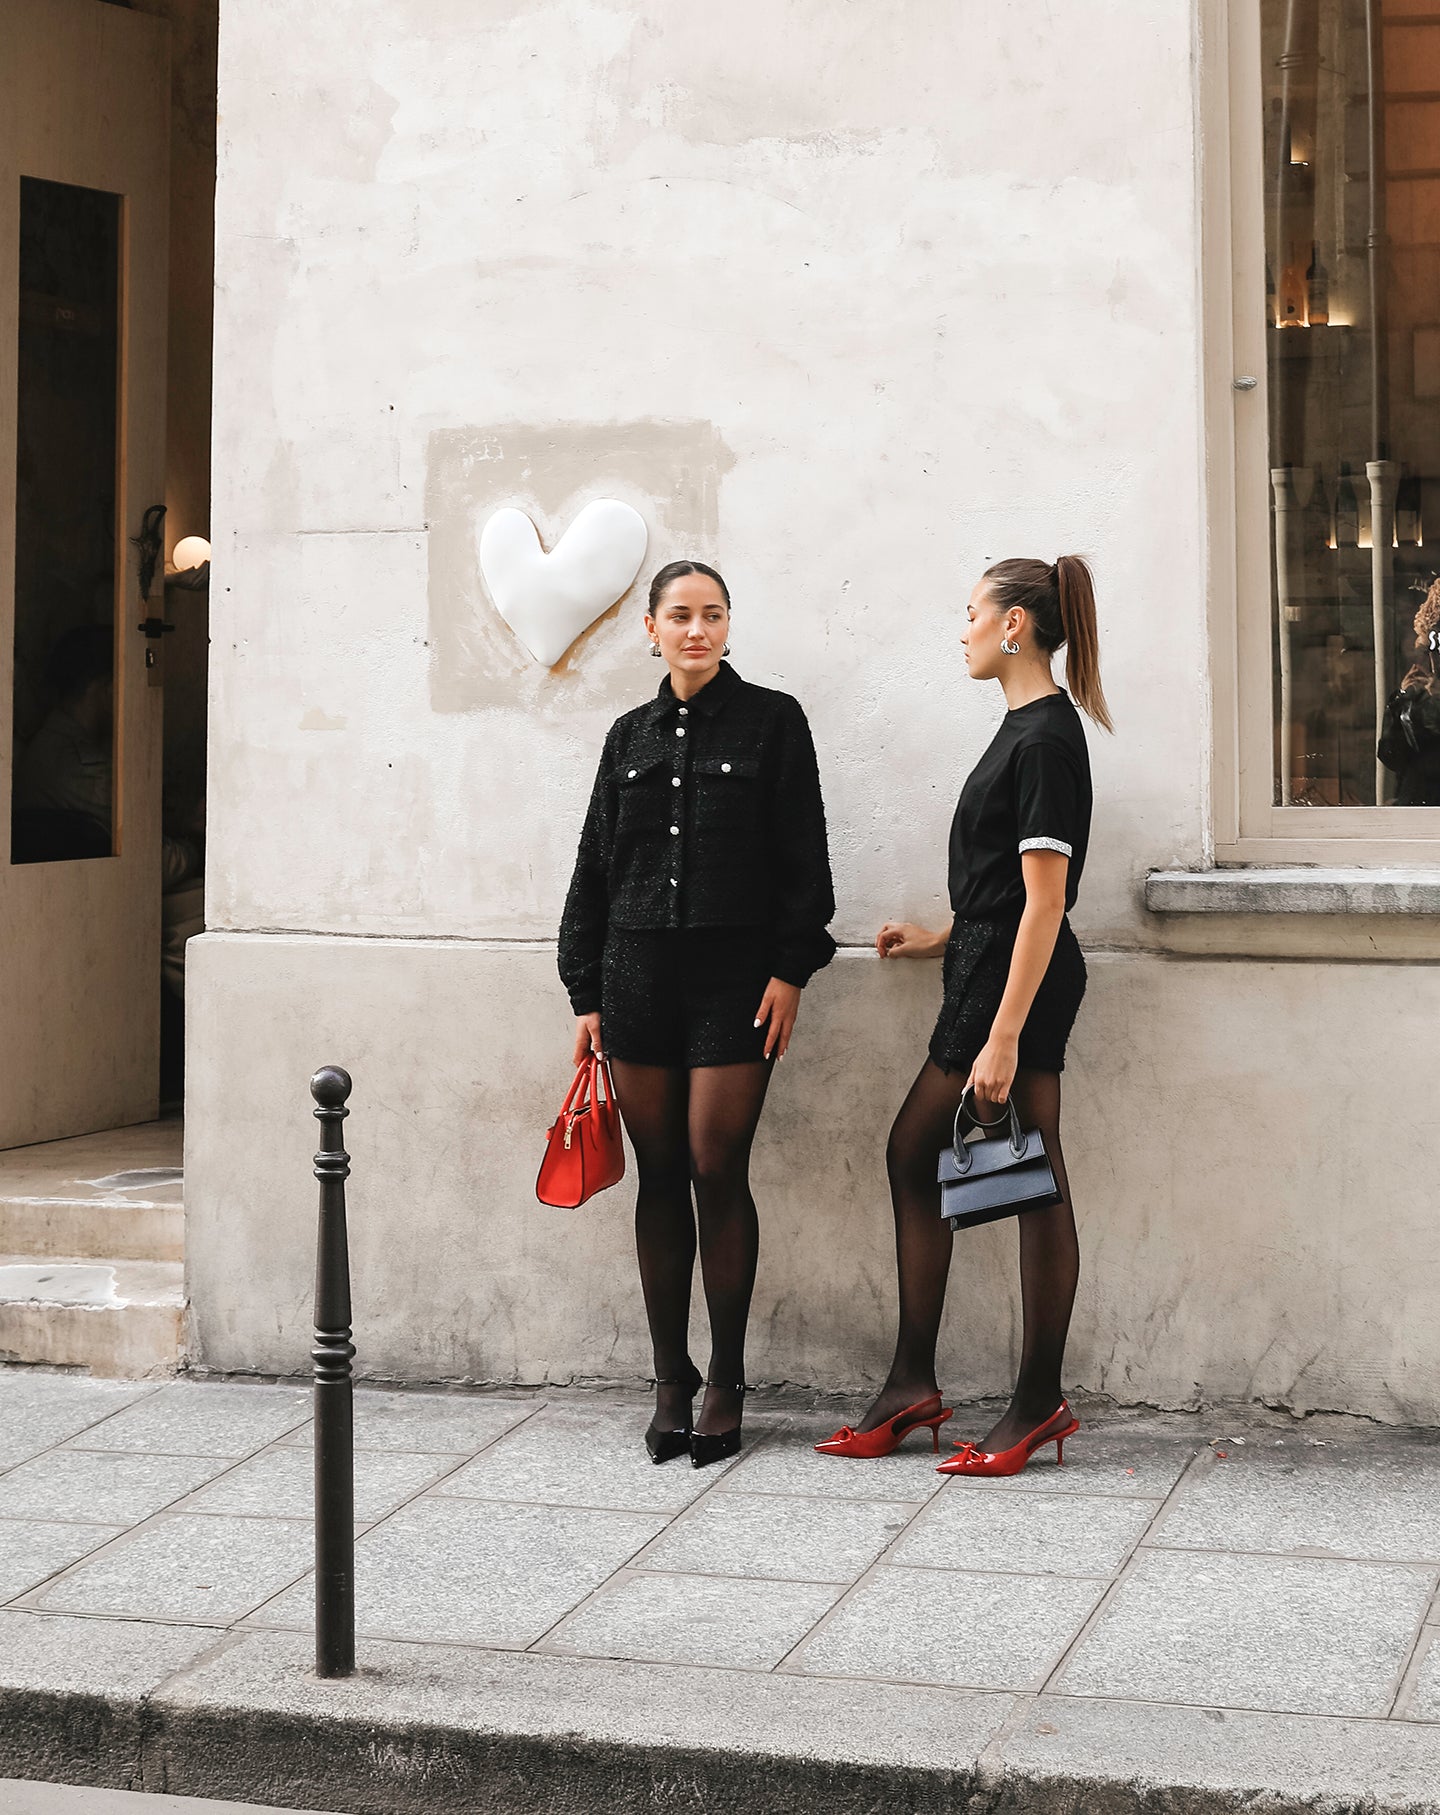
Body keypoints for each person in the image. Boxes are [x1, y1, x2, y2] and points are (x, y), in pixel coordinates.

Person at [816, 556, 1111, 1476]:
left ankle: (1022, 1400)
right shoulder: (1024, 728)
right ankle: (930, 1386)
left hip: (1014, 988)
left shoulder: (1045, 740)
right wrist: (942, 936)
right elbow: (1008, 888)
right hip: (986, 966)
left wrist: (1004, 1033)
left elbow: (1047, 902)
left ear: (1015, 623)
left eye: (972, 613)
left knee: (993, 1168)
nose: (963, 629)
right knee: (1010, 1170)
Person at [559, 560, 835, 1466]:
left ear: (728, 627)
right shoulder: (626, 734)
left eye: (712, 614)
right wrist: (585, 992)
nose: (696, 629)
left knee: (719, 1163)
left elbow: (805, 861)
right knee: (661, 1170)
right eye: (680, 615)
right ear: (651, 628)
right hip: (636, 977)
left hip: (734, 980)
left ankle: (726, 1379)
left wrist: (791, 969)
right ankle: (669, 1379)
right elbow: (595, 866)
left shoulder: (774, 723)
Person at [1378, 578, 1440, 806]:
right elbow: (1390, 756)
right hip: (1416, 805)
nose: (1432, 663)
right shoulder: (1416, 693)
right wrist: (1402, 701)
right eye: (1424, 652)